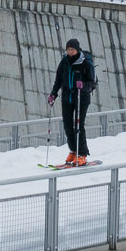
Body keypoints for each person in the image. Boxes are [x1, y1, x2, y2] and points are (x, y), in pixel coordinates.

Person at [48, 38, 97, 166]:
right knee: (67, 125)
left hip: (81, 97)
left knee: (79, 126)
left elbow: (92, 83)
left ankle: (83, 153)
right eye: (68, 49)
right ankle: (73, 150)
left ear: (77, 49)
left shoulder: (85, 63)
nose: (70, 52)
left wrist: (84, 86)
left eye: (72, 49)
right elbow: (58, 79)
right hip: (67, 97)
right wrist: (54, 93)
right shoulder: (64, 62)